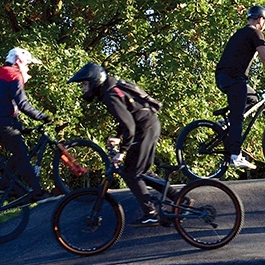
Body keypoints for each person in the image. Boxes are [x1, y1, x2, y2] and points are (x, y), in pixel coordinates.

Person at [68, 63, 185, 227]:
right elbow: (127, 118)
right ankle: (182, 200)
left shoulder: (109, 96)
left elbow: (129, 125)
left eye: (84, 84)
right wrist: (117, 137)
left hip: (145, 129)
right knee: (140, 171)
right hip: (148, 126)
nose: (82, 89)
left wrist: (122, 152)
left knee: (132, 173)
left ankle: (151, 213)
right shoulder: (111, 88)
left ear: (94, 82)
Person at [215, 4, 265, 170]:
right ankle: (235, 156)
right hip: (234, 79)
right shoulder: (255, 33)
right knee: (237, 116)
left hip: (224, 77)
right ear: (260, 19)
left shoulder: (240, 33)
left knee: (253, 99)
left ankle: (223, 125)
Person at [0, 47, 54, 202]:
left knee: (19, 149)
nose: (28, 68)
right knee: (22, 156)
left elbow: (1, 105)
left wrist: (21, 128)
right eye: (27, 64)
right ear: (19, 62)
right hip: (1, 122)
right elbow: (22, 105)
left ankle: (6, 183)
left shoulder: (1, 75)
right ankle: (38, 193)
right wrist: (42, 117)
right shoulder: (14, 75)